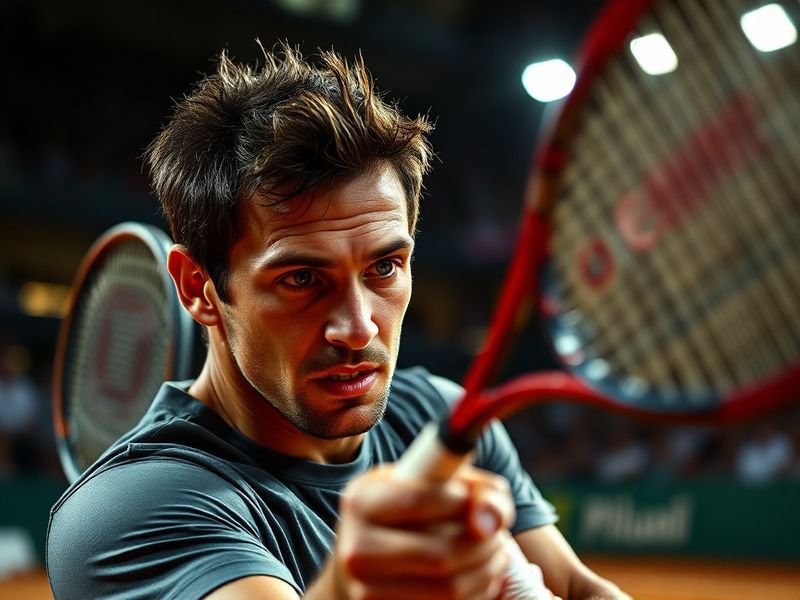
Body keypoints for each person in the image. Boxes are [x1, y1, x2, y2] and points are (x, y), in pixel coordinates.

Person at [46, 43, 628, 600]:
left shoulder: (441, 419)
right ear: (200, 288)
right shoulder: (126, 511)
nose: (357, 328)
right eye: (301, 279)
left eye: (384, 267)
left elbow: (578, 587)